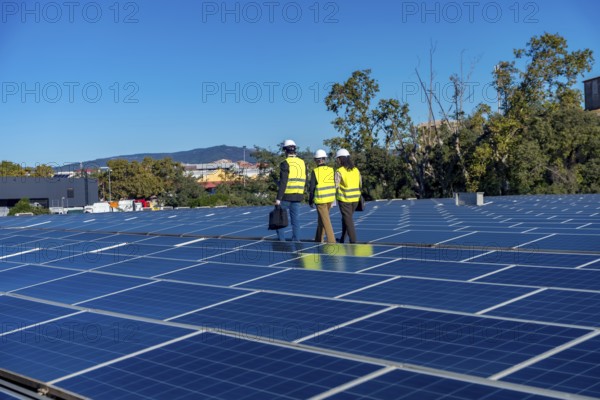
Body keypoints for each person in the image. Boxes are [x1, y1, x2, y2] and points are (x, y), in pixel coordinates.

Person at [274, 139, 307, 241]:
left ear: (285, 150)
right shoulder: (302, 163)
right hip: (298, 196)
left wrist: (278, 198)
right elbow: (304, 179)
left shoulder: (285, 163)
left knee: (279, 219)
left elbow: (284, 182)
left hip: (286, 196)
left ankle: (282, 241)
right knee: (295, 221)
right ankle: (296, 240)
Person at [308, 149, 336, 244]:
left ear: (316, 160)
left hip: (320, 199)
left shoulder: (315, 171)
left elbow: (312, 187)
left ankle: (332, 241)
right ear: (324, 159)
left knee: (326, 221)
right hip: (330, 198)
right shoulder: (331, 170)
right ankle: (318, 239)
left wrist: (310, 200)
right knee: (322, 219)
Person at [335, 148, 361, 243]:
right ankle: (342, 238)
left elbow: (336, 185)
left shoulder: (339, 171)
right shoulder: (356, 170)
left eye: (338, 159)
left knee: (348, 220)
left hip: (345, 199)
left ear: (341, 159)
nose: (337, 161)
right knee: (346, 219)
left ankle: (353, 241)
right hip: (355, 199)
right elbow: (360, 183)